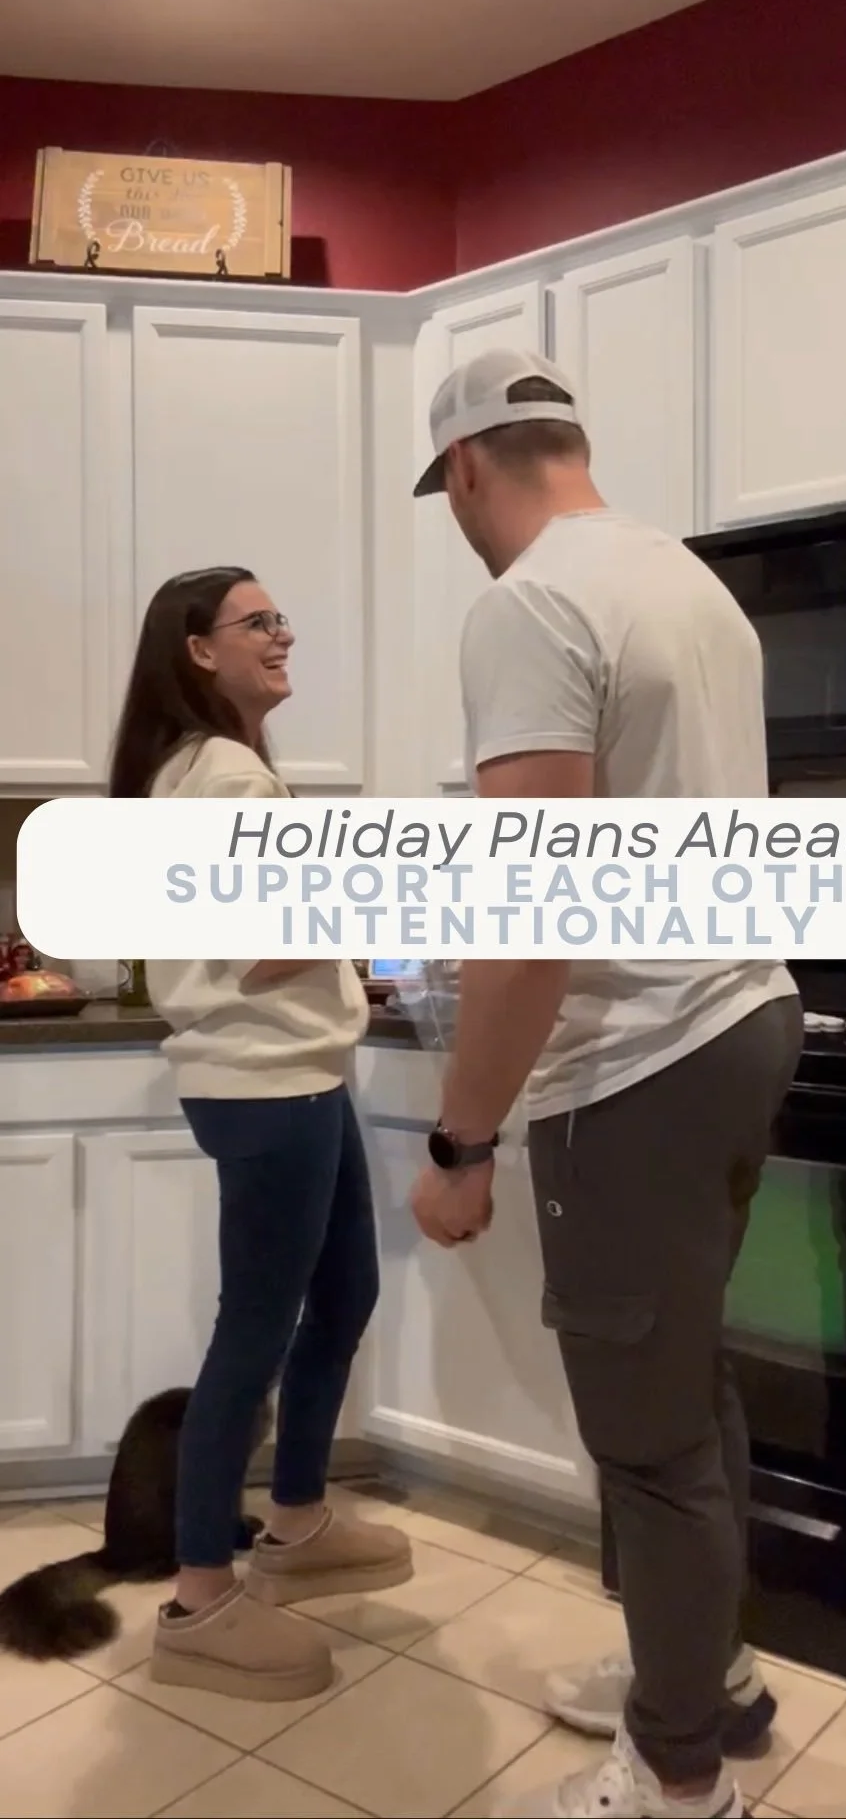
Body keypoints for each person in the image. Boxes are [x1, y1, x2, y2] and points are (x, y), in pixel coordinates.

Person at [409, 351, 803, 1819]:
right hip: (745, 1015)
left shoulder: (529, 603)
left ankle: (677, 1776)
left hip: (639, 1058)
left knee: (646, 1441)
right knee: (688, 1390)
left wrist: (461, 1139)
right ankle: (708, 1676)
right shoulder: (690, 587)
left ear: (465, 467)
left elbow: (532, 912)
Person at [109, 567, 412, 1702]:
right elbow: (268, 944)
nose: (283, 637)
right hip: (267, 1082)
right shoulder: (231, 778)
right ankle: (200, 1600)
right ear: (199, 651)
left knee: (342, 1296)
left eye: (283, 619)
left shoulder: (198, 770)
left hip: (290, 1071)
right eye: (258, 623)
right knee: (255, 1333)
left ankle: (295, 1522)